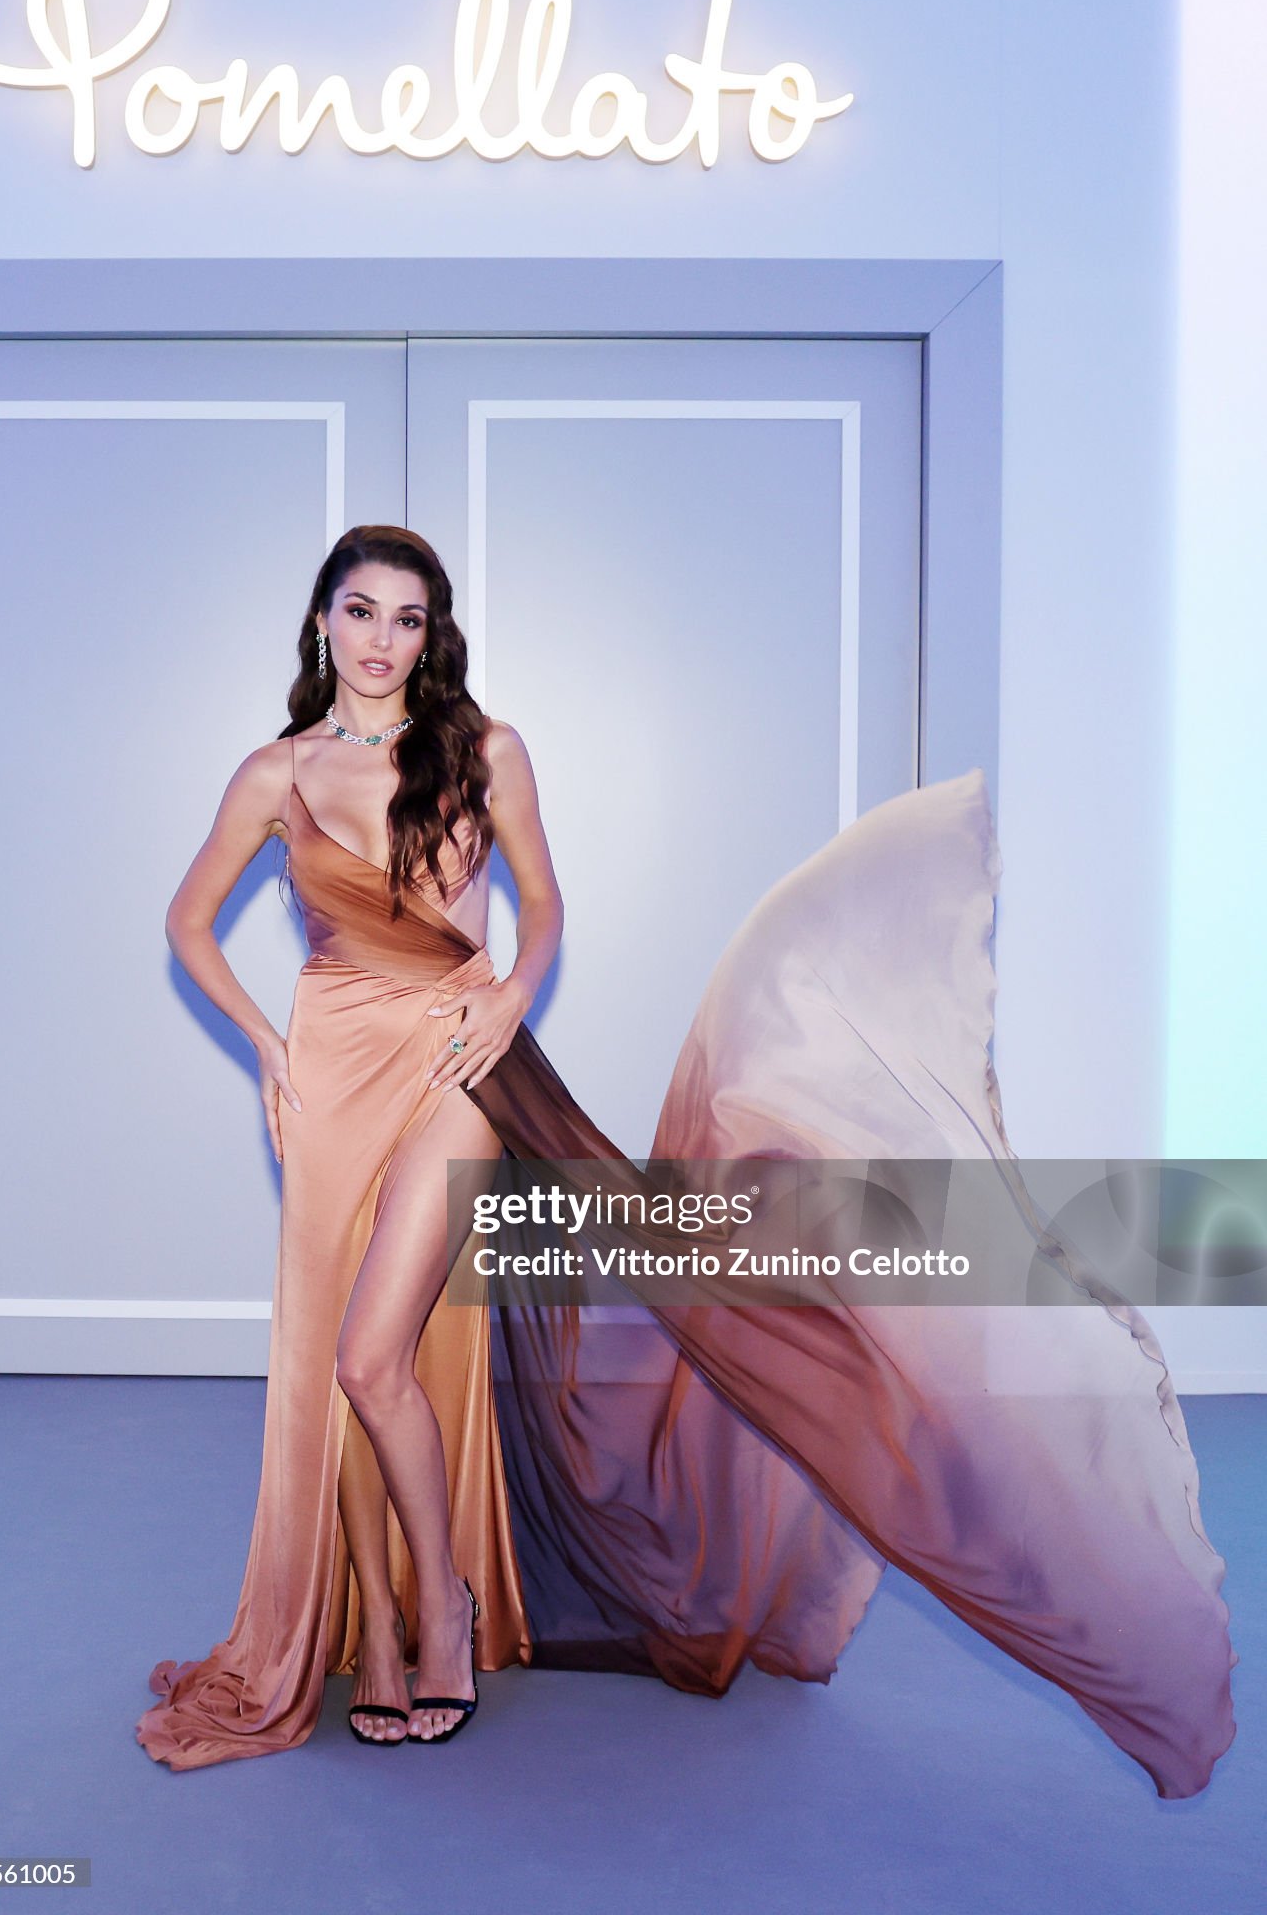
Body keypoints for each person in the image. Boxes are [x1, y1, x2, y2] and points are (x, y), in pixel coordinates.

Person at [136, 524, 1236, 1794]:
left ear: (433, 635)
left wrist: (513, 991)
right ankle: (372, 1627)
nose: (382, 638)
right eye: (361, 609)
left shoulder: (485, 749)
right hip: (332, 1072)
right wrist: (268, 1049)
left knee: (366, 1355)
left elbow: (543, 903)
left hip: (458, 1061)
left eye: (408, 616)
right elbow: (187, 918)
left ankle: (439, 1600)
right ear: (322, 619)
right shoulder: (275, 771)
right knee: (342, 1371)